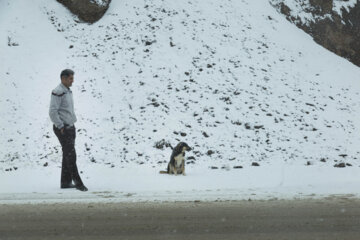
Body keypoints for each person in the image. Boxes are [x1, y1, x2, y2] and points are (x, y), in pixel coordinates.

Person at [49, 69, 88, 191]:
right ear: (63, 78)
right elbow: (52, 112)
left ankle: (65, 182)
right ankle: (78, 183)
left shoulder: (67, 91)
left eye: (72, 78)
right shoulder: (58, 92)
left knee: (67, 153)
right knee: (71, 155)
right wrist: (60, 126)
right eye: (70, 78)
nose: (73, 81)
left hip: (70, 127)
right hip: (63, 128)